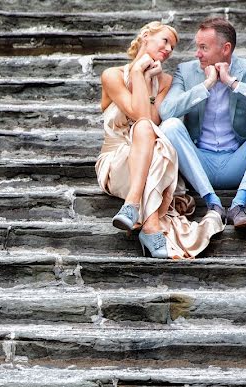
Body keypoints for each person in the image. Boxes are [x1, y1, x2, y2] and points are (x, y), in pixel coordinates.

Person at [96, 22, 224, 259]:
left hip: (149, 157)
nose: (168, 49)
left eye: (172, 47)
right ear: (145, 36)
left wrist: (148, 80)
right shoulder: (112, 75)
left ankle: (134, 209)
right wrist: (137, 73)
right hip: (116, 162)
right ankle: (149, 221)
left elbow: (151, 121)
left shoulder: (164, 81)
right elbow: (139, 114)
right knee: (151, 136)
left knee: (152, 136)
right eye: (165, 41)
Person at [158, 16, 246, 230]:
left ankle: (239, 204)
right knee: (170, 126)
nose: (197, 53)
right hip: (199, 164)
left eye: (203, 47)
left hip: (238, 162)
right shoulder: (186, 70)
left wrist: (232, 82)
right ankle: (213, 203)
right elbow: (167, 111)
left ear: (225, 48)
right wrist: (206, 85)